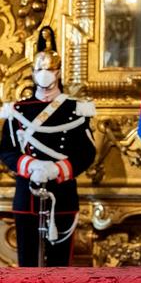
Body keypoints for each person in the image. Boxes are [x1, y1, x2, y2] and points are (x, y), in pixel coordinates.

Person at [0, 25, 96, 266]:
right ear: (33, 73)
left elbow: (87, 152)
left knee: (59, 266)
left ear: (59, 72)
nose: (45, 73)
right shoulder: (18, 111)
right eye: (40, 69)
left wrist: (59, 169)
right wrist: (29, 164)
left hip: (62, 196)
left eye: (50, 69)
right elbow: (6, 150)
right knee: (28, 265)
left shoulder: (75, 109)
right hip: (28, 196)